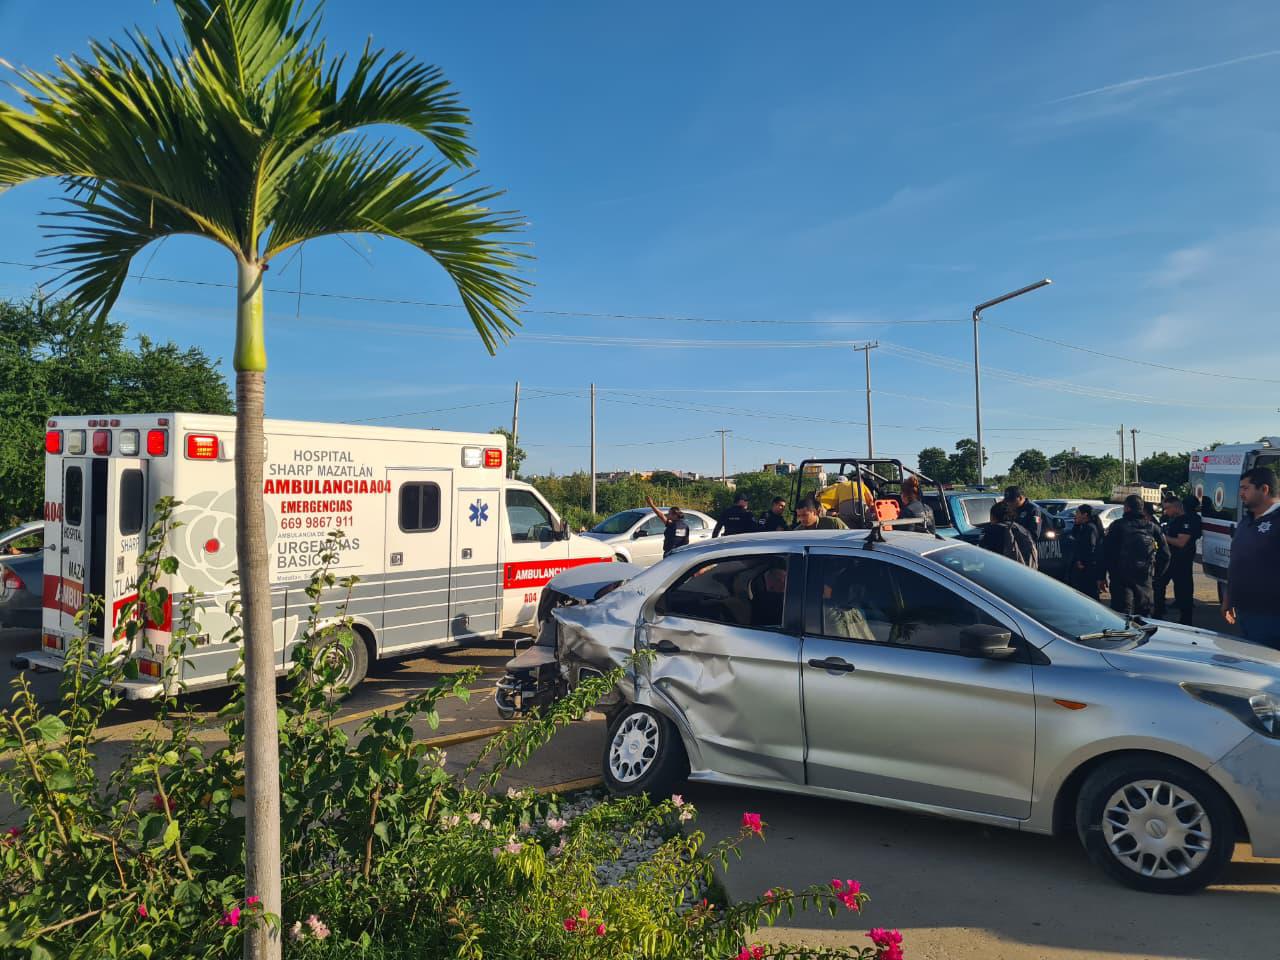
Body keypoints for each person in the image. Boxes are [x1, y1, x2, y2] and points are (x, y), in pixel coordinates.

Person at [1223, 466, 1280, 649]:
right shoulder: (1246, 521)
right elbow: (1238, 561)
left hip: (1272, 614)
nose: (1240, 493)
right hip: (1247, 610)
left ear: (1264, 489)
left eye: (1245, 488)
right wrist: (1229, 598)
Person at [1104, 494, 1170, 616]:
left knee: (1121, 614)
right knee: (1145, 614)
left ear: (1127, 508)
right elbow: (1166, 554)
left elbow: (1106, 551)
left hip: (1121, 575)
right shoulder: (1152, 526)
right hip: (1144, 574)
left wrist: (1106, 573)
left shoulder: (1118, 525)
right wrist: (1157, 574)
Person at [1154, 493, 1201, 624]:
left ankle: (1186, 621)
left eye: (1168, 508)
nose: (1165, 511)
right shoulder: (1168, 519)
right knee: (1158, 585)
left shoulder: (1187, 520)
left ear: (1176, 507)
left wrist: (1162, 537)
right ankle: (1158, 614)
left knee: (1183, 591)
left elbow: (1181, 542)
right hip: (1167, 559)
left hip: (1181, 560)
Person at [979, 501, 1038, 568]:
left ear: (993, 516)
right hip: (1025, 573)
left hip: (1001, 573)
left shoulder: (992, 530)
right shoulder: (1022, 530)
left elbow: (981, 556)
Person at [1067, 503, 1105, 599]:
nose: (1076, 515)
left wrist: (1082, 561)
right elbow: (1074, 538)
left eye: (1078, 513)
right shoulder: (1082, 527)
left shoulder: (1090, 528)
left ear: (1085, 515)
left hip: (1087, 568)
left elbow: (1090, 547)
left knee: (1089, 595)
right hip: (1082, 567)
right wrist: (1076, 525)